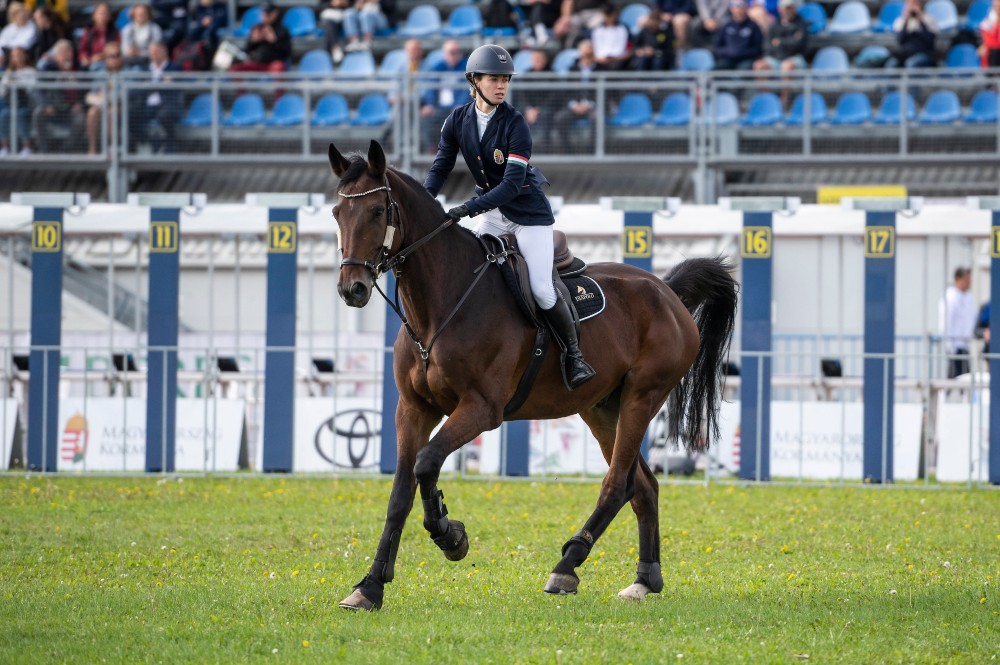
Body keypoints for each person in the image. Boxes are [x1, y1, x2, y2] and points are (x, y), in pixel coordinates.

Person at [423, 44, 596, 390]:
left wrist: (466, 209)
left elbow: (512, 185)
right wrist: (425, 204)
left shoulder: (516, 124)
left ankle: (574, 356)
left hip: (528, 216)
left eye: (505, 80)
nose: (501, 86)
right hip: (494, 213)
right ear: (474, 81)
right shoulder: (456, 120)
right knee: (471, 272)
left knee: (543, 290)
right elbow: (441, 166)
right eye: (494, 79)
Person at [31, 38, 85, 153]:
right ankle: (43, 148)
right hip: (52, 107)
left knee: (80, 119)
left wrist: (80, 103)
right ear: (55, 55)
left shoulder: (79, 68)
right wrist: (46, 104)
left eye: (68, 52)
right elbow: (37, 90)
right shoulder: (47, 68)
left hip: (70, 108)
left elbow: (87, 90)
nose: (66, 55)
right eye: (62, 52)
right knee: (38, 113)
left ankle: (66, 149)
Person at [128, 40, 180, 153]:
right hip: (146, 105)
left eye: (156, 51)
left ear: (164, 51)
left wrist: (151, 86)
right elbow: (134, 90)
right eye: (151, 52)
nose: (153, 54)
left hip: (166, 105)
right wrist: (160, 84)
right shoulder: (143, 69)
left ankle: (170, 144)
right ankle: (149, 140)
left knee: (166, 115)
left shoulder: (174, 68)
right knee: (128, 114)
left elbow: (179, 87)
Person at [419, 39, 467, 152]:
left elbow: (468, 89)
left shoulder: (466, 67)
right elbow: (431, 88)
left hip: (459, 108)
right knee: (425, 117)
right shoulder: (438, 67)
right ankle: (432, 149)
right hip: (440, 107)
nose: (454, 55)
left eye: (457, 52)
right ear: (445, 53)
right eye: (451, 52)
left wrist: (460, 104)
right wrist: (430, 104)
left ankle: (458, 152)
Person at [552, 38, 597, 152]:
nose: (587, 56)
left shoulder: (600, 69)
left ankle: (592, 151)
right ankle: (568, 150)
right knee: (560, 118)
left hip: (593, 106)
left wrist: (589, 104)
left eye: (590, 53)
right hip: (575, 106)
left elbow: (605, 94)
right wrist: (574, 104)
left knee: (596, 118)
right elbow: (567, 92)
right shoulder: (572, 69)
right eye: (585, 53)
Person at [939, 267, 978, 378]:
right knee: (955, 375)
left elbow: (974, 318)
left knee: (964, 375)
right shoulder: (950, 297)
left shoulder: (969, 298)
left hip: (965, 343)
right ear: (958, 279)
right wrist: (949, 344)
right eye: (967, 279)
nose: (969, 283)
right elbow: (946, 321)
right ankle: (945, 394)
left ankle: (962, 395)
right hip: (954, 344)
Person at [86, 41, 124, 154]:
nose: (114, 59)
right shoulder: (100, 73)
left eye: (117, 56)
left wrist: (109, 94)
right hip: (102, 105)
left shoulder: (129, 71)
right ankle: (92, 148)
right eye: (110, 56)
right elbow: (93, 92)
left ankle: (112, 149)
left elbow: (127, 93)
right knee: (92, 112)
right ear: (105, 58)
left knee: (111, 112)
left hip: (122, 106)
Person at [230, 3, 291, 73]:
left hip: (273, 63)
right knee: (236, 68)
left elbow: (287, 52)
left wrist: (274, 41)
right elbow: (246, 50)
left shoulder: (282, 30)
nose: (265, 16)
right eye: (263, 13)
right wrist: (253, 41)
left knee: (278, 67)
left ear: (275, 13)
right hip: (257, 62)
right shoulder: (257, 28)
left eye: (268, 13)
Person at [753, 0, 807, 74]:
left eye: (791, 8)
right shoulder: (775, 25)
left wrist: (780, 42)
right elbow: (767, 45)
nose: (789, 11)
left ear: (794, 9)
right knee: (759, 66)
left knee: (787, 66)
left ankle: (786, 86)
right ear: (780, 9)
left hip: (795, 57)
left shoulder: (801, 24)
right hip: (776, 57)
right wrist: (784, 47)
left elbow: (797, 44)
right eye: (786, 8)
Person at [0, 47, 37, 157]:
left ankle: (26, 147)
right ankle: (4, 147)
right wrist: (8, 84)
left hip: (24, 104)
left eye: (19, 55)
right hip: (10, 105)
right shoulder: (9, 72)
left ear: (25, 56)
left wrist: (18, 82)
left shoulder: (31, 71)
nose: (17, 58)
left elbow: (32, 88)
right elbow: (1, 91)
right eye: (14, 56)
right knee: (3, 116)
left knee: (21, 115)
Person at [886, 0, 938, 69]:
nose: (912, 7)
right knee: (892, 63)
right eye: (909, 4)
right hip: (906, 54)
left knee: (911, 63)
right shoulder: (901, 21)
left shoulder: (929, 19)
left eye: (914, 3)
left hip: (924, 53)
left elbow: (930, 40)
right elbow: (900, 40)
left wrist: (920, 21)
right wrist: (906, 21)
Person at [713, 0, 762, 70]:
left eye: (741, 6)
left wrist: (741, 52)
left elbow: (757, 48)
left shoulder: (753, 26)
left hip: (746, 59)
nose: (738, 10)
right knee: (718, 67)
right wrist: (729, 51)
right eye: (735, 6)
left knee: (744, 69)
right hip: (728, 58)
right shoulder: (726, 26)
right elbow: (717, 47)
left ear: (746, 8)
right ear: (731, 9)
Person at [77, 2, 119, 70]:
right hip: (91, 62)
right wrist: (85, 58)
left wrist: (102, 56)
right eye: (100, 13)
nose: (103, 15)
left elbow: (116, 49)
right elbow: (83, 48)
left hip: (108, 62)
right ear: (94, 15)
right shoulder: (88, 30)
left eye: (105, 13)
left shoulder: (114, 31)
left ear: (109, 15)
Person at [590, 2, 632, 70]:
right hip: (600, 63)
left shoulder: (624, 29)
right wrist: (598, 59)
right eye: (606, 14)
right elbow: (592, 49)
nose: (609, 17)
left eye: (610, 14)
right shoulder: (596, 30)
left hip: (620, 62)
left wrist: (617, 58)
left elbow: (630, 49)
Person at [0, 2, 38, 68]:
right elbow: (1, 43)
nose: (22, 17)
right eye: (19, 15)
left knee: (17, 54)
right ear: (14, 16)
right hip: (7, 56)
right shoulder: (8, 28)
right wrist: (1, 55)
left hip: (26, 55)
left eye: (23, 15)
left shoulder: (32, 27)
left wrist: (11, 48)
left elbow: (25, 43)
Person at [979, 0, 1000, 67]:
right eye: (996, 5)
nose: (998, 7)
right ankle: (992, 75)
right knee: (990, 51)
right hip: (994, 51)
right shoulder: (987, 22)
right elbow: (989, 41)